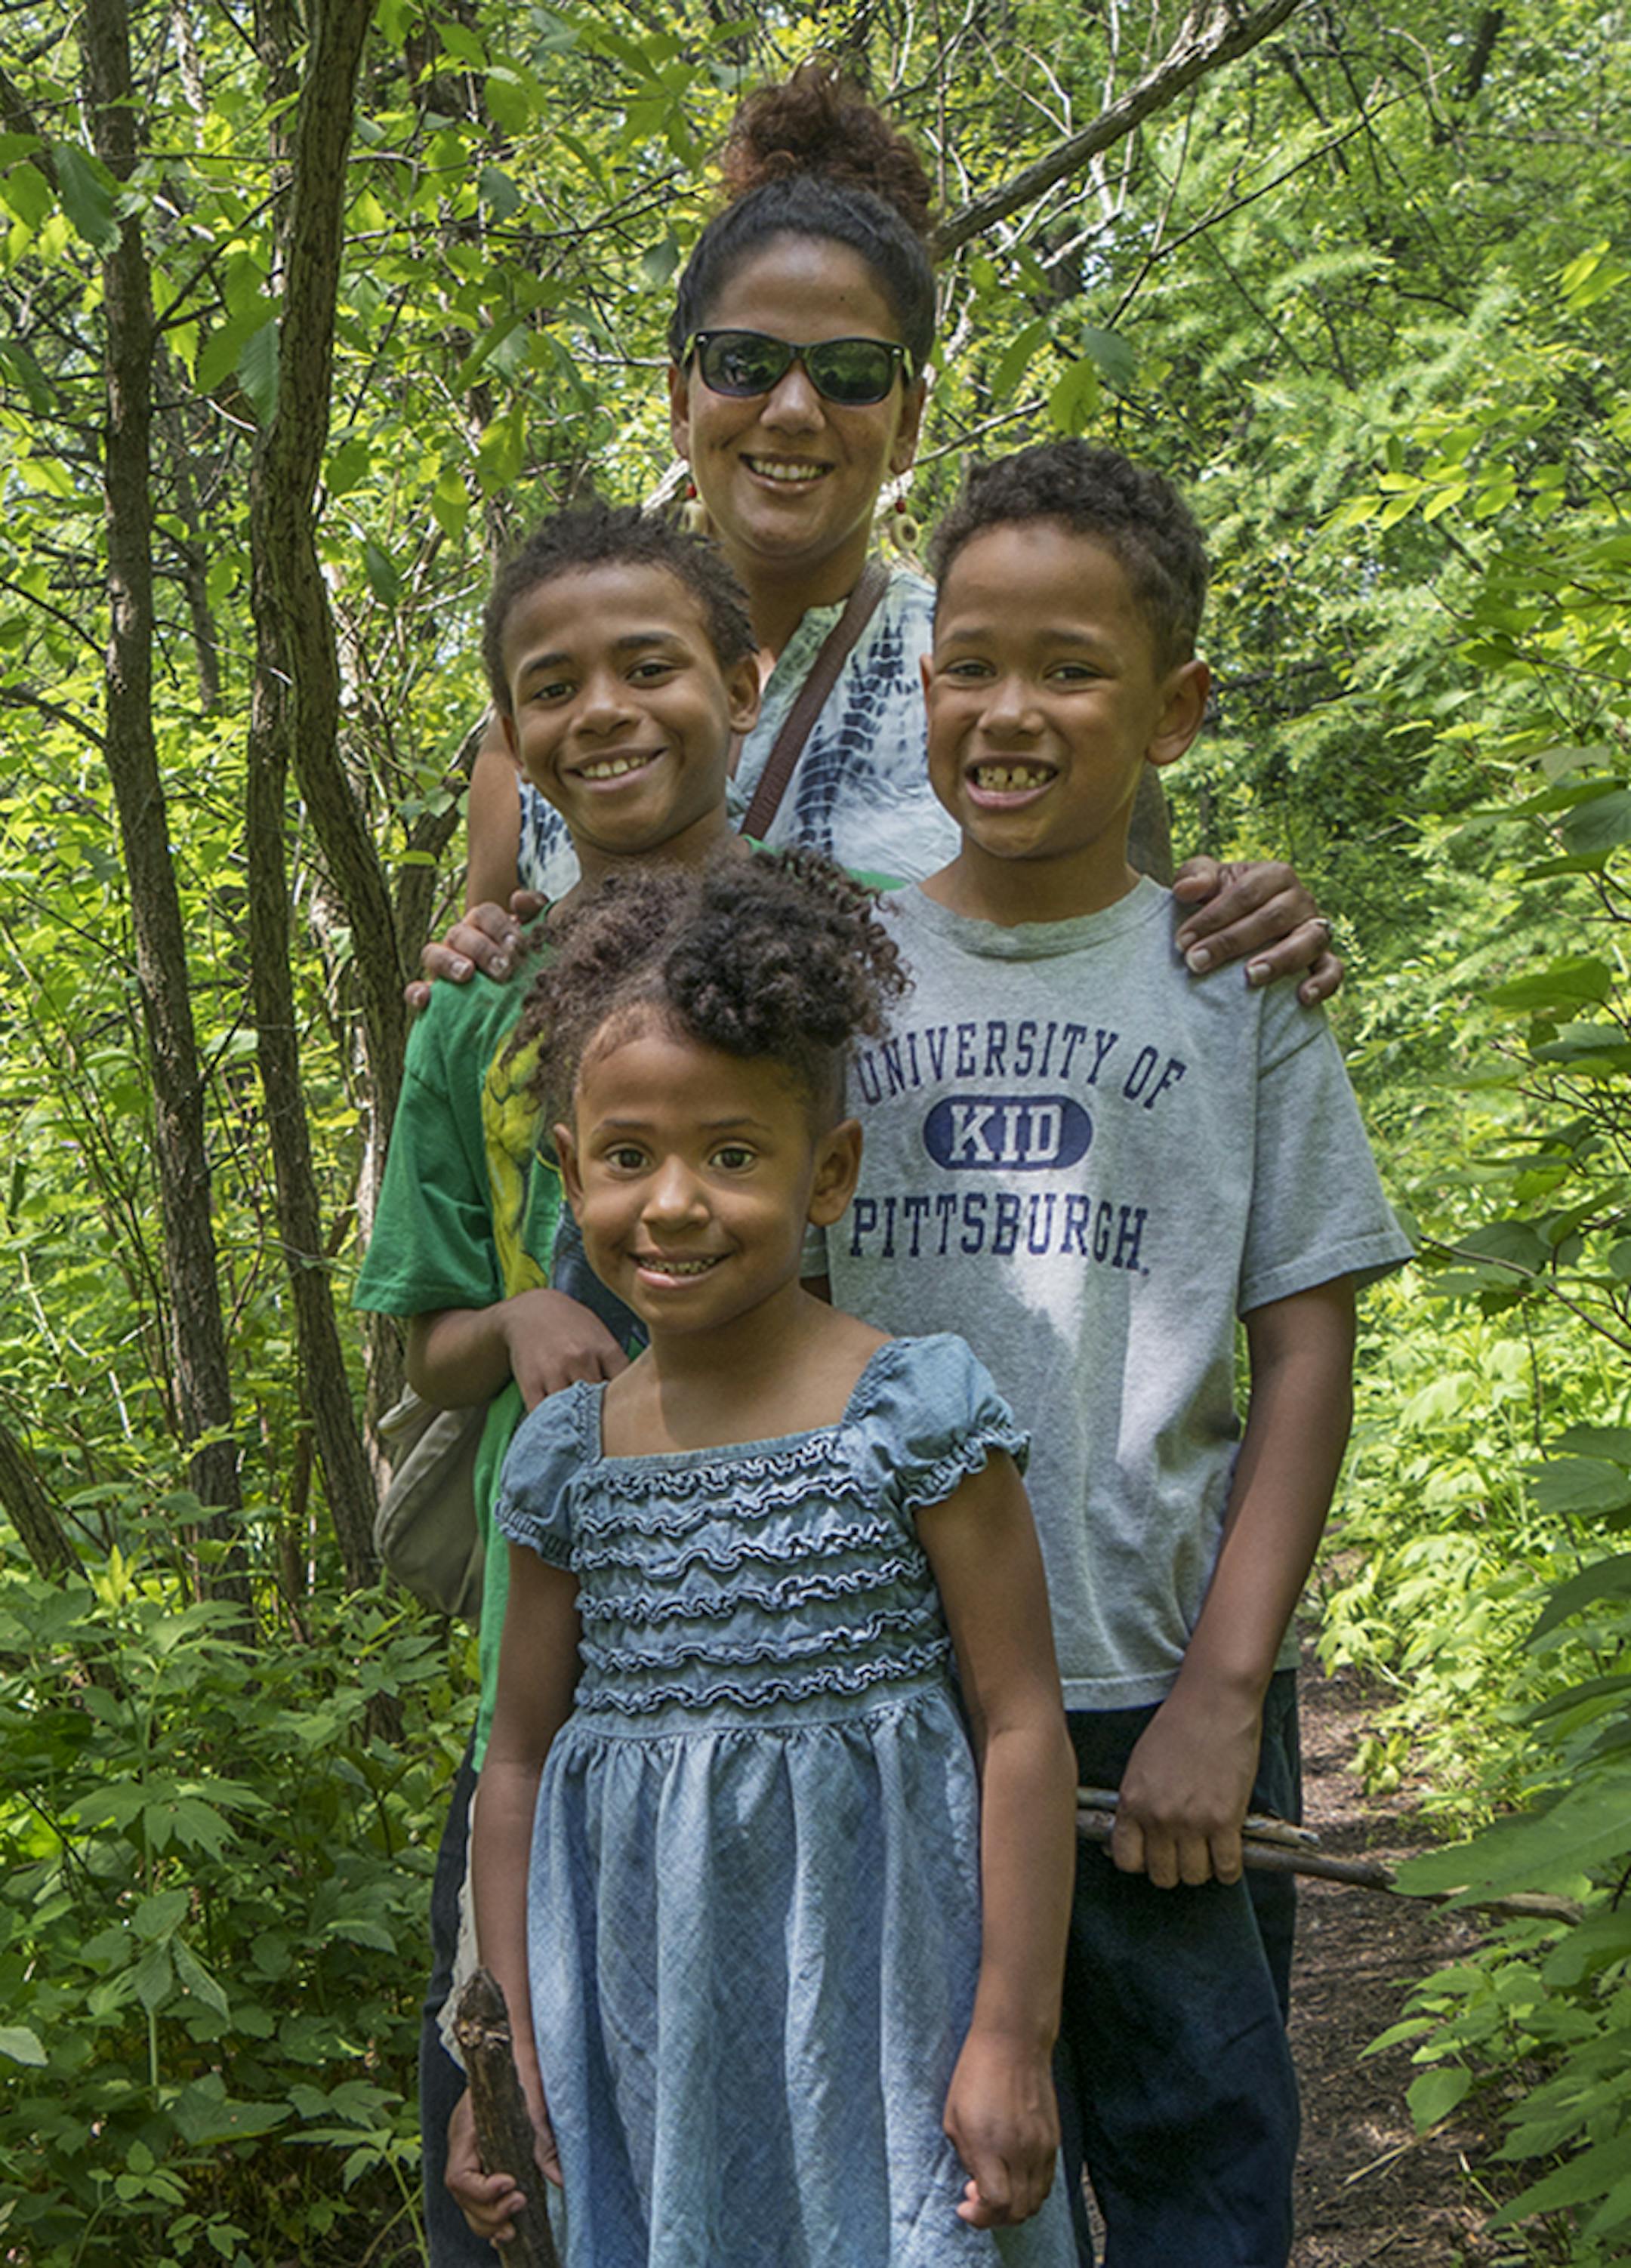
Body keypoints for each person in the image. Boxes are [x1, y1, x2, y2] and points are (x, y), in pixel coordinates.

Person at [811, 440, 1414, 2266]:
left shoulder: (1236, 988)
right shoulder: (829, 985)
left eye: (1070, 669)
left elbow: (1304, 1346)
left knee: (1196, 2174)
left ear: (1174, 710)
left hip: (1154, 1687)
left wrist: (1223, 1694)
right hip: (890, 1692)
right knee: (926, 2185)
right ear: (925, 686)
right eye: (974, 664)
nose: (1011, 710)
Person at [461, 851, 1080, 2265]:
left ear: (829, 1172)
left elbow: (1021, 1723)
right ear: (570, 1170)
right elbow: (517, 1760)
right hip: (645, 2033)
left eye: (733, 1154)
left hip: (893, 2022)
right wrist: (506, 2051)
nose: (674, 1202)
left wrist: (1011, 2032)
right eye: (628, 1156)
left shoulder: (915, 1412)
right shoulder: (564, 1460)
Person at [420, 66, 1341, 1010]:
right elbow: (491, 1015)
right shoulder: (543, 722)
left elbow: (1129, 973)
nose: (792, 410)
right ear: (681, 397)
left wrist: (1246, 926)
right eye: (745, 361)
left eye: (853, 372)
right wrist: (470, 958)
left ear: (908, 420)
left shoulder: (1009, 680)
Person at [355, 501, 773, 2265]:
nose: (603, 710)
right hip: (546, 1688)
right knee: (507, 2161)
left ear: (741, 681)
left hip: (797, 1664)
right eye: (552, 686)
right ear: (512, 741)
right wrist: (518, 1315)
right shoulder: (472, 1008)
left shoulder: (834, 957)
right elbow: (425, 1339)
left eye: (647, 665)